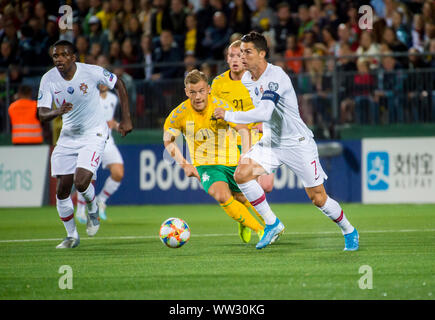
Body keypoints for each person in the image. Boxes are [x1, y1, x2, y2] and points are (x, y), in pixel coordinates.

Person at [214, 32, 359, 250]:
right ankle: (272, 224)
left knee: (318, 198)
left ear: (262, 54)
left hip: (297, 143)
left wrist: (228, 115)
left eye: (248, 51)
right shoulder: (246, 79)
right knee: (241, 174)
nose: (242, 56)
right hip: (272, 142)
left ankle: (349, 230)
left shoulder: (276, 76)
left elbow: (264, 112)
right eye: (241, 52)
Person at [37, 40, 133, 249]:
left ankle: (93, 207)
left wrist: (126, 119)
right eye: (55, 56)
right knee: (62, 192)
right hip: (68, 136)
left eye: (63, 55)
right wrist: (57, 111)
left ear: (73, 57)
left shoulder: (92, 72)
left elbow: (119, 84)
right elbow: (42, 113)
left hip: (94, 133)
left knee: (81, 182)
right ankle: (72, 236)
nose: (59, 59)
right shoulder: (48, 79)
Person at [163, 69, 264, 244]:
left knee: (241, 198)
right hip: (206, 165)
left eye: (201, 91)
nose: (197, 97)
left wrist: (246, 156)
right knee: (221, 194)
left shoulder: (221, 106)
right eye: (193, 92)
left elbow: (243, 129)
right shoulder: (178, 114)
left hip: (232, 160)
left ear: (208, 89)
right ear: (186, 92)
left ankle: (247, 222)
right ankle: (261, 230)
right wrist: (185, 164)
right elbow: (168, 140)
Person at [211, 40, 275, 239]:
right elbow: (212, 110)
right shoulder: (218, 83)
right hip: (230, 141)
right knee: (239, 187)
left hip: (256, 137)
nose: (235, 59)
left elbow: (272, 106)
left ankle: (254, 221)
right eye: (231, 56)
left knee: (266, 185)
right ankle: (256, 224)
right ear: (227, 59)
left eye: (239, 55)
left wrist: (265, 124)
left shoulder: (256, 79)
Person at [76, 84, 125, 223]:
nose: (102, 84)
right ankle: (80, 209)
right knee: (87, 176)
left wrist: (117, 125)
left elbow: (110, 120)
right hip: (91, 140)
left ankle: (101, 200)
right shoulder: (89, 98)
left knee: (118, 173)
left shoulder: (113, 98)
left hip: (108, 141)